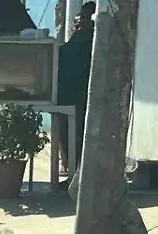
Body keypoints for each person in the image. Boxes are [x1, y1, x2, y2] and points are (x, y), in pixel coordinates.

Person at [56, 2, 95, 179]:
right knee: (66, 136)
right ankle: (72, 173)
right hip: (65, 95)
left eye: (85, 18)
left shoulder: (92, 41)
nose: (81, 21)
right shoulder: (78, 36)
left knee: (77, 137)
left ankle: (77, 176)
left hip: (80, 97)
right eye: (80, 17)